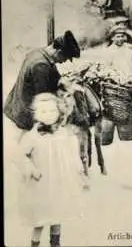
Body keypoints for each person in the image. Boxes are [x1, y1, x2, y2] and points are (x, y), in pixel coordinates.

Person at [18, 93, 87, 247]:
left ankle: (55, 243)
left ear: (59, 112)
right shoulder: (32, 136)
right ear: (36, 114)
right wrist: (31, 169)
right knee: (40, 218)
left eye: (52, 111)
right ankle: (34, 244)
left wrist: (79, 170)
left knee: (58, 213)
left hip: (59, 180)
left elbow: (72, 153)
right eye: (43, 112)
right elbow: (22, 155)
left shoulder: (64, 134)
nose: (48, 115)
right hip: (41, 182)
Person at [4, 30, 81, 141]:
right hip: (27, 114)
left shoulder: (39, 53)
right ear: (58, 52)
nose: (63, 62)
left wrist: (65, 81)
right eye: (65, 58)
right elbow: (45, 98)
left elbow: (55, 76)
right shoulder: (41, 66)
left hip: (16, 105)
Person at [95, 25, 132, 146]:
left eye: (122, 36)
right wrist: (114, 77)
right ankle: (107, 138)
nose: (120, 39)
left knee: (128, 115)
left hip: (128, 88)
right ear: (113, 38)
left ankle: (127, 137)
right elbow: (104, 69)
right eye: (117, 36)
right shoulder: (107, 52)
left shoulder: (130, 51)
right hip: (112, 88)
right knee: (110, 113)